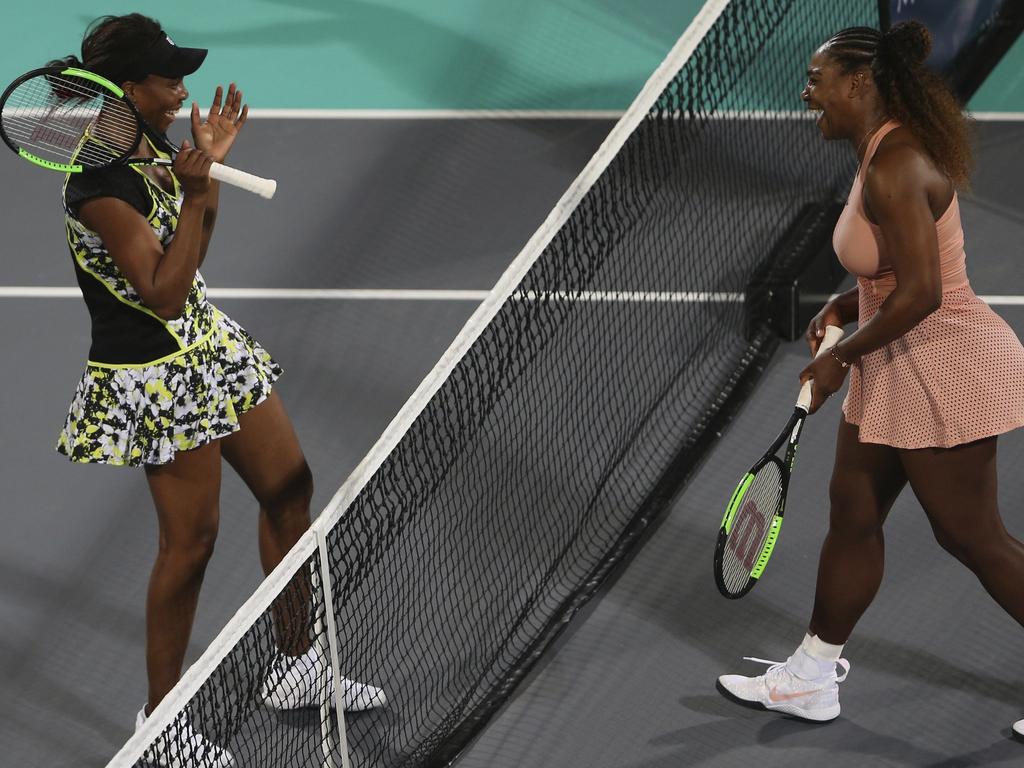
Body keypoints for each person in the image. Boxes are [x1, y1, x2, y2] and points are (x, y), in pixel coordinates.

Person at [49, 14, 385, 766]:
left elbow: (191, 261)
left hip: (208, 347)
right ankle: (161, 724)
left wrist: (205, 176)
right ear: (127, 88)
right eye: (168, 81)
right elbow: (163, 293)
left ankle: (296, 665)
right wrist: (197, 191)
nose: (181, 92)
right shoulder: (100, 187)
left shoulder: (151, 150)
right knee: (192, 544)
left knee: (291, 488)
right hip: (154, 379)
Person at [717, 21, 1024, 736]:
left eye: (816, 81)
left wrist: (838, 357)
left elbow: (924, 294)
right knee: (853, 515)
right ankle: (811, 676)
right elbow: (897, 280)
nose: (806, 94)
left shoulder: (896, 166)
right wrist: (847, 304)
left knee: (974, 539)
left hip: (942, 365)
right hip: (897, 361)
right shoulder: (878, 153)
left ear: (859, 84)